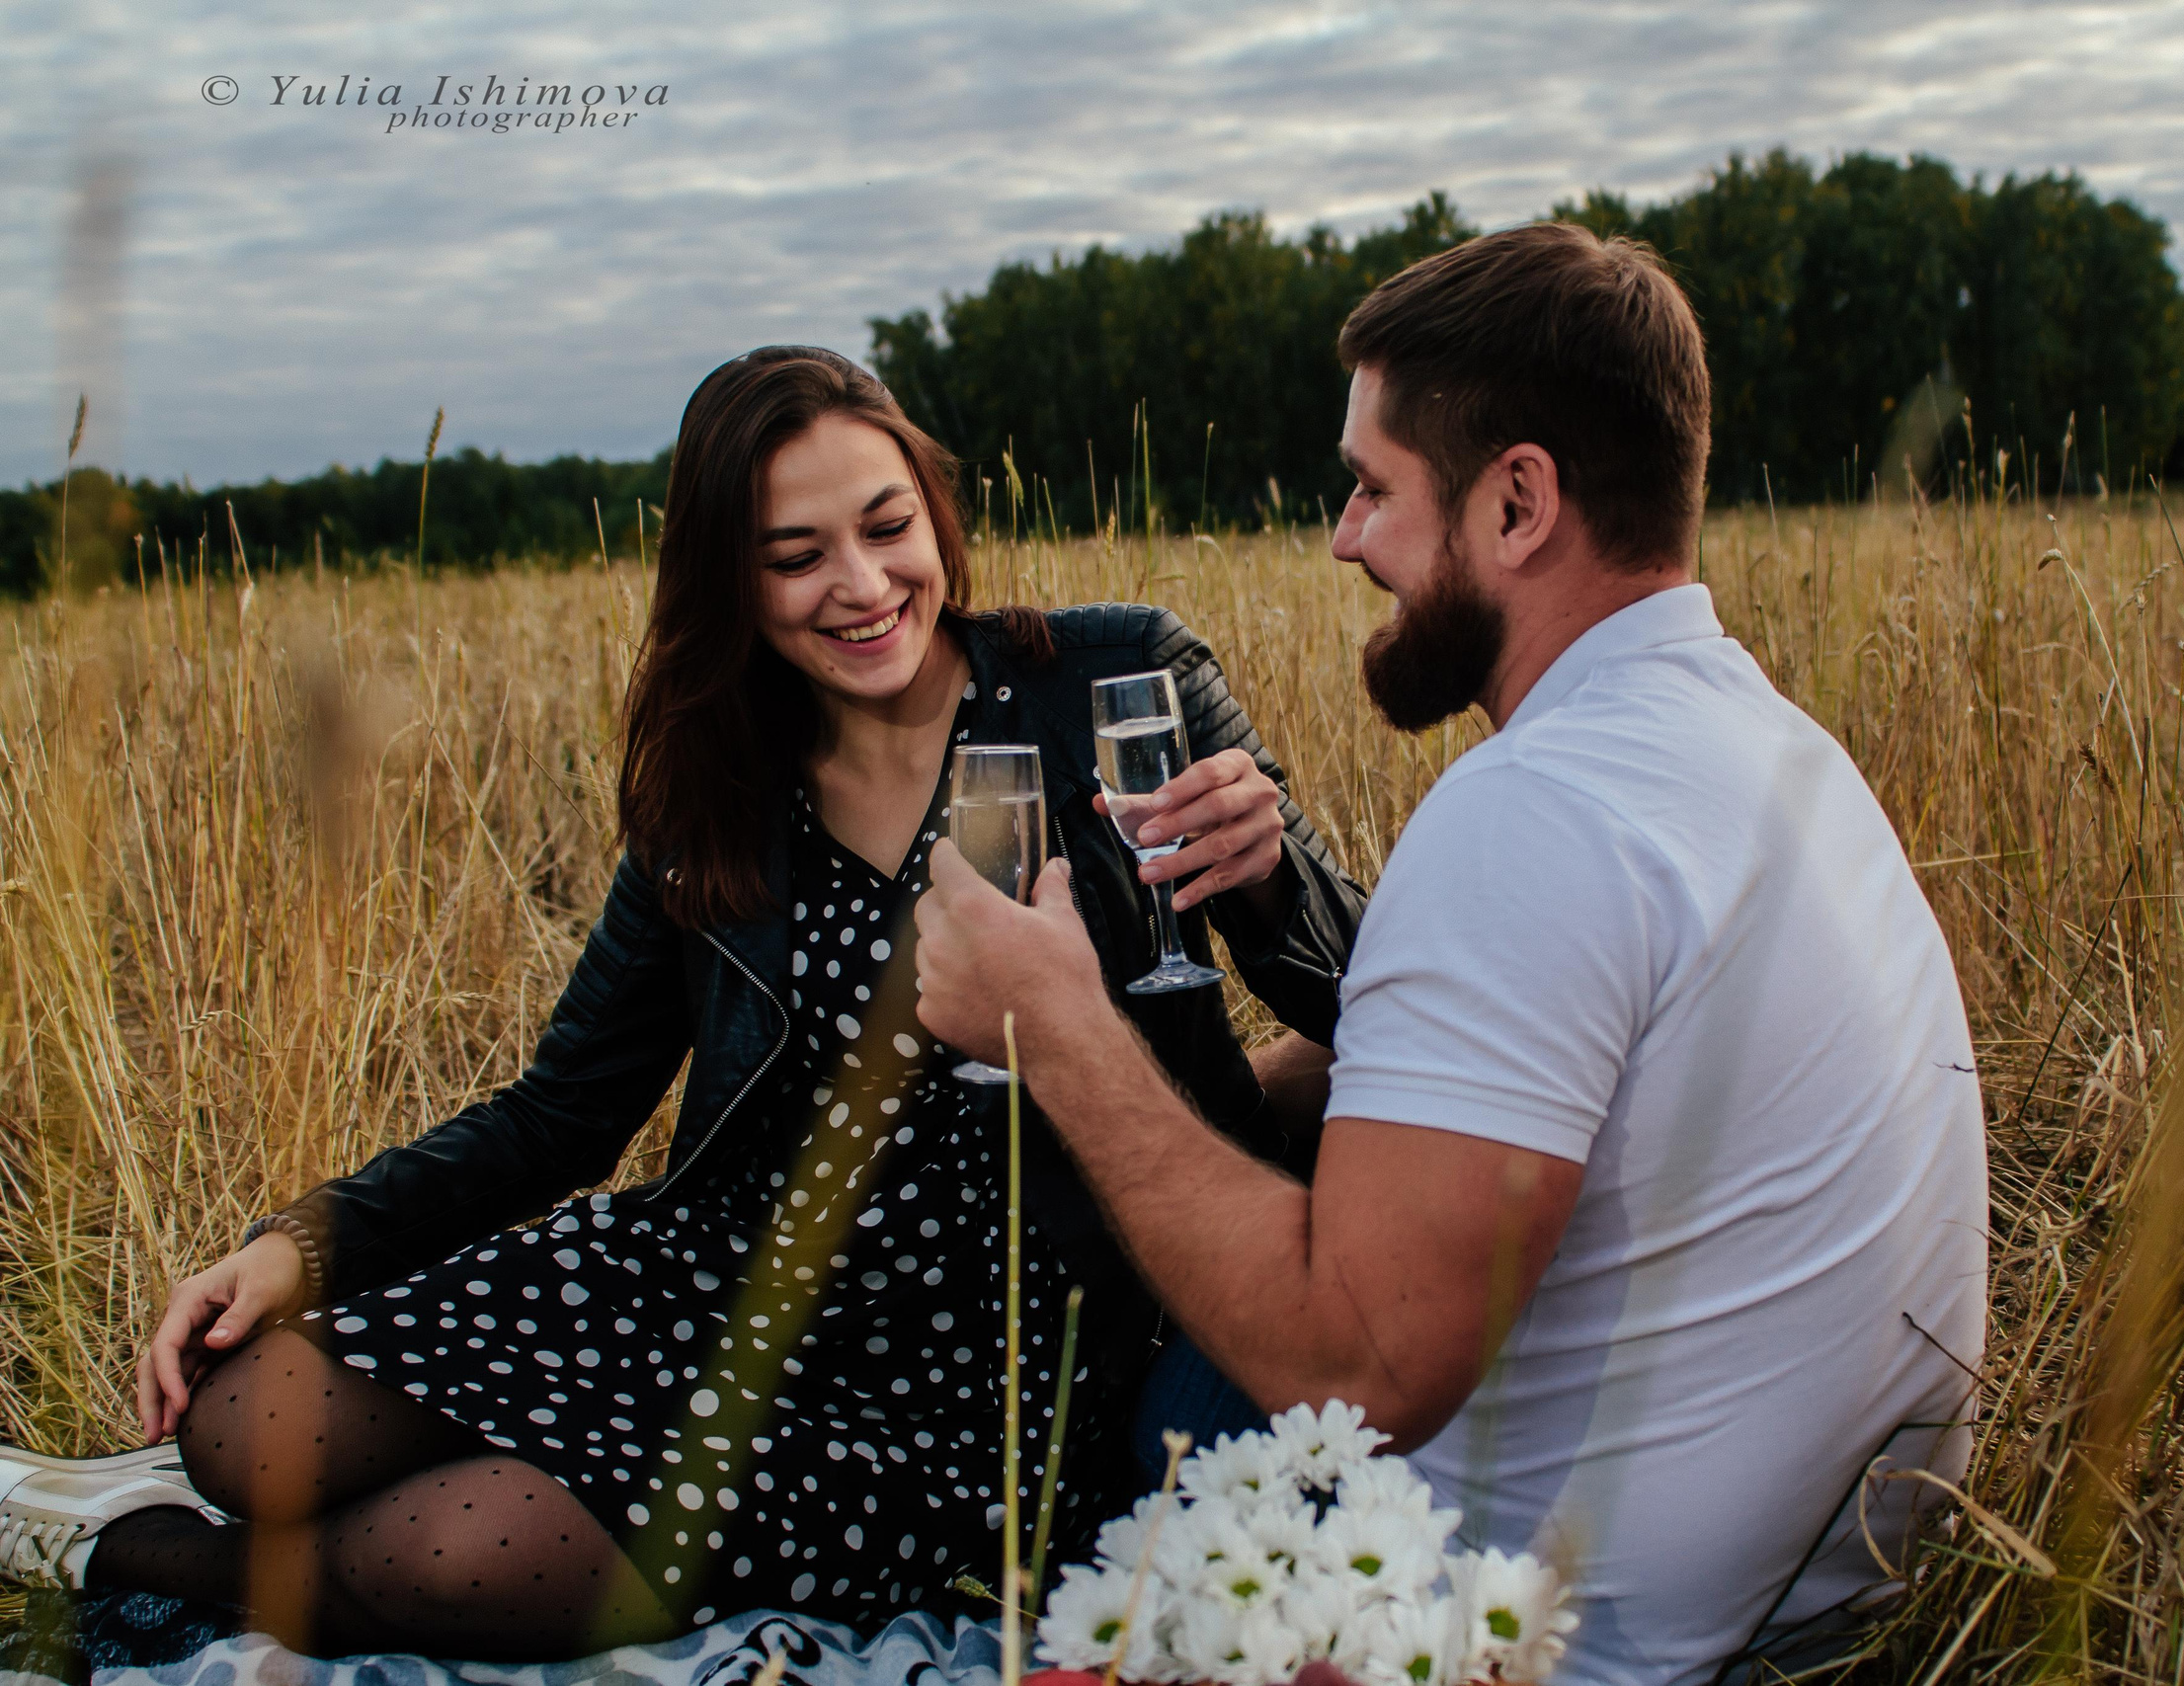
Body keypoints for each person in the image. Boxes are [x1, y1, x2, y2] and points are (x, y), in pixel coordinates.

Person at [0, 347, 1366, 1660]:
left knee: (451, 1555)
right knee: (242, 1424)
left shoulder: (1115, 682)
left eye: (888, 525)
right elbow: (565, 1108)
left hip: (980, 1371)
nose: (863, 582)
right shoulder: (718, 785)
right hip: (715, 1277)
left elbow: (1365, 994)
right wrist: (303, 1245)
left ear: (937, 517)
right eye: (795, 556)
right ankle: (207, 1501)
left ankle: (121, 1548)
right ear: (730, 581)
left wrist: (1271, 870)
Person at [911, 223, 1990, 1686]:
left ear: (1518, 502)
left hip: (1565, 1641)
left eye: (1373, 489)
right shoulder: (1763, 750)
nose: (1346, 538)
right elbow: (1545, 1091)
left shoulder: (1535, 814)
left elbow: (1356, 1360)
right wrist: (1231, 1072)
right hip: (1813, 1600)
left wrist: (1059, 1031)